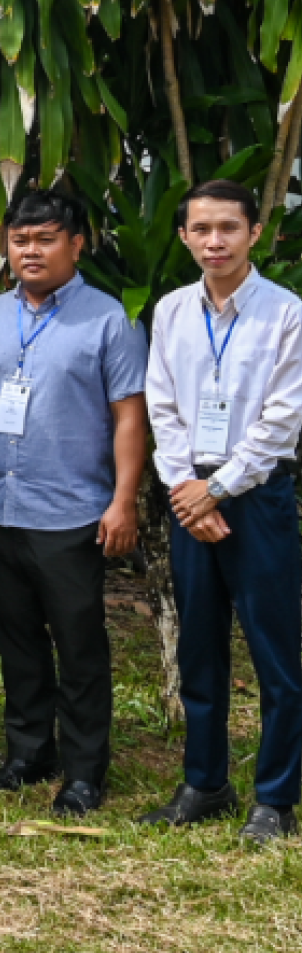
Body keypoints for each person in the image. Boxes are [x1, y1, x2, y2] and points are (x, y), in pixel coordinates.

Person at [0, 190, 147, 817]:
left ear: (77, 244)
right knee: (17, 640)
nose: (31, 251)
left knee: (80, 646)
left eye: (47, 238)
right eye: (21, 240)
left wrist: (124, 501)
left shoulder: (109, 320)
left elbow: (129, 416)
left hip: (73, 511)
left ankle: (85, 772)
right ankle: (30, 753)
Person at [142, 180, 302, 844]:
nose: (215, 241)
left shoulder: (286, 312)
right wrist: (186, 485)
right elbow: (162, 404)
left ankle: (275, 798)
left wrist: (222, 487)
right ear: (183, 236)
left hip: (257, 495)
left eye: (228, 228)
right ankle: (204, 783)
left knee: (275, 654)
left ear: (254, 233)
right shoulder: (173, 310)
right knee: (201, 649)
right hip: (189, 495)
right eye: (201, 229)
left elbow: (284, 417)